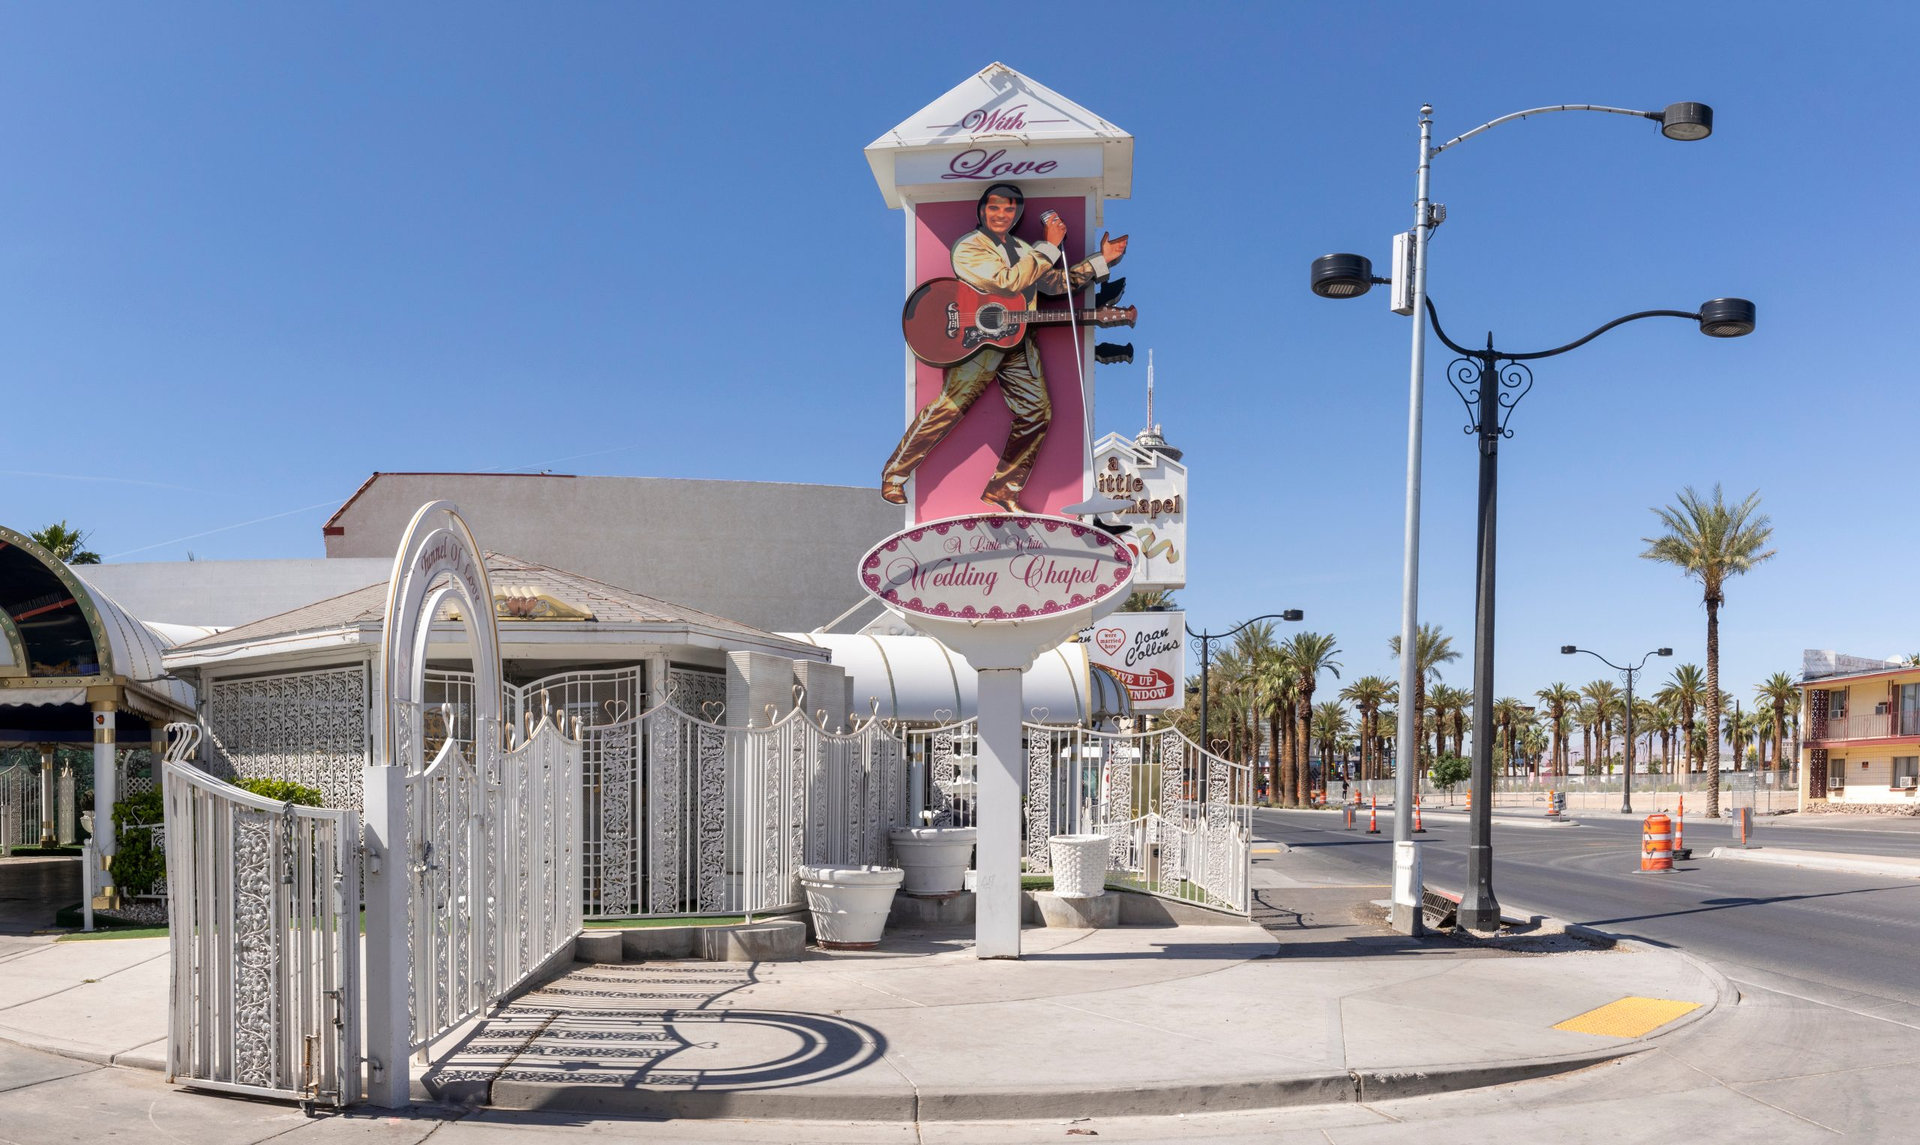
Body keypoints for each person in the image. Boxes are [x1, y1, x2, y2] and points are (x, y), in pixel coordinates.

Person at [881, 182, 1128, 512]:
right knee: (948, 410)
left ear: (1018, 213)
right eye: (995, 207)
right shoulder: (969, 247)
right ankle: (895, 474)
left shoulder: (1025, 248)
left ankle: (1003, 489)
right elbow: (1006, 282)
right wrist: (1049, 247)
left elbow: (1053, 283)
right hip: (976, 342)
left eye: (1009, 209)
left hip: (1018, 341)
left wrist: (1102, 260)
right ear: (982, 210)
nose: (1001, 214)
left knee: (1037, 414)